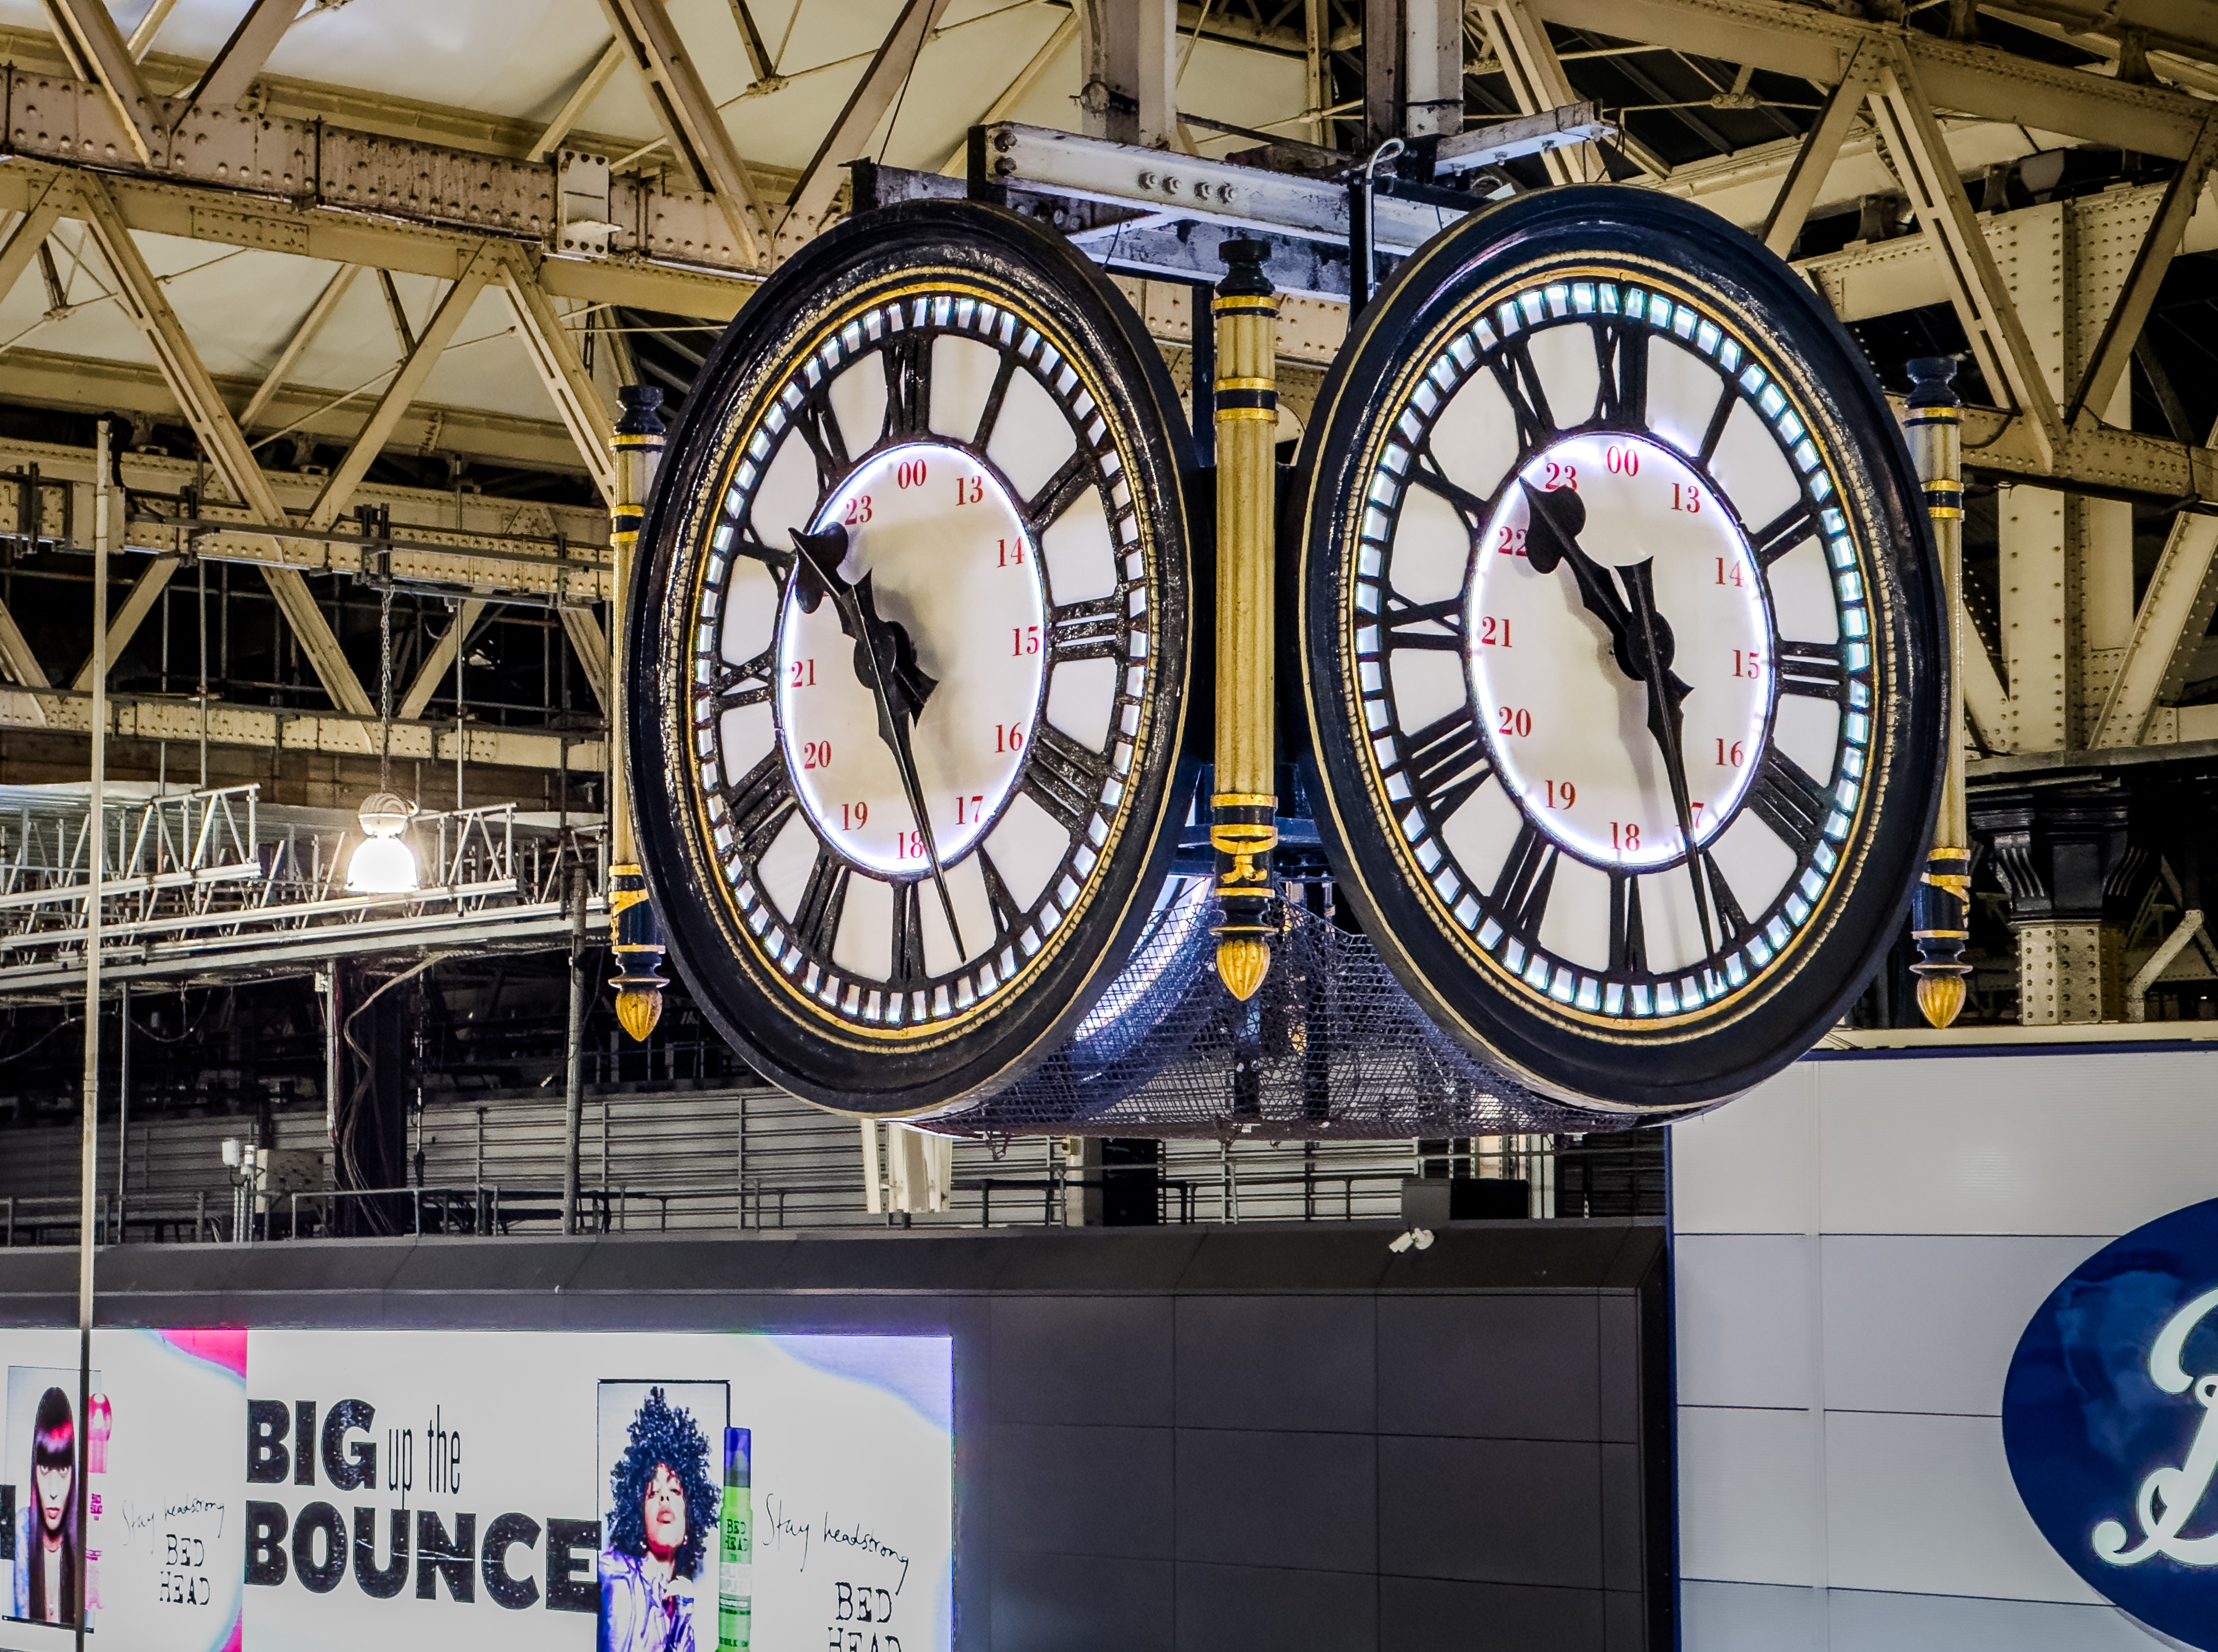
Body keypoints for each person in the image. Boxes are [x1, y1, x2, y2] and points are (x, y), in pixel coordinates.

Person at [599, 1388, 720, 1652]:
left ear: (691, 1518)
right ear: (639, 1516)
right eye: (653, 1493)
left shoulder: (681, 1603)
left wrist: (682, 1619)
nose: (664, 1497)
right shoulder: (618, 1574)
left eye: (675, 1491)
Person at [10, 1387, 77, 1626]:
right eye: (46, 1468)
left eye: (63, 1470)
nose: (53, 1490)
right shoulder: (21, 1530)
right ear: (34, 1470)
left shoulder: (87, 1540)